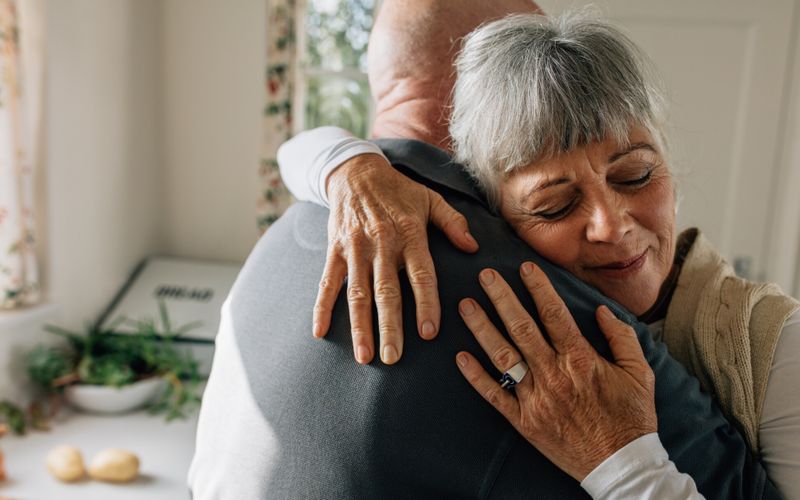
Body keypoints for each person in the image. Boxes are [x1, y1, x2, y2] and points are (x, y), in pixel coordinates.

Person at [188, 3, 781, 499]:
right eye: (553, 205)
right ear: (485, 107)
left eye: (635, 174)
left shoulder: (275, 243)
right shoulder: (555, 330)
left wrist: (341, 161)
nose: (610, 225)